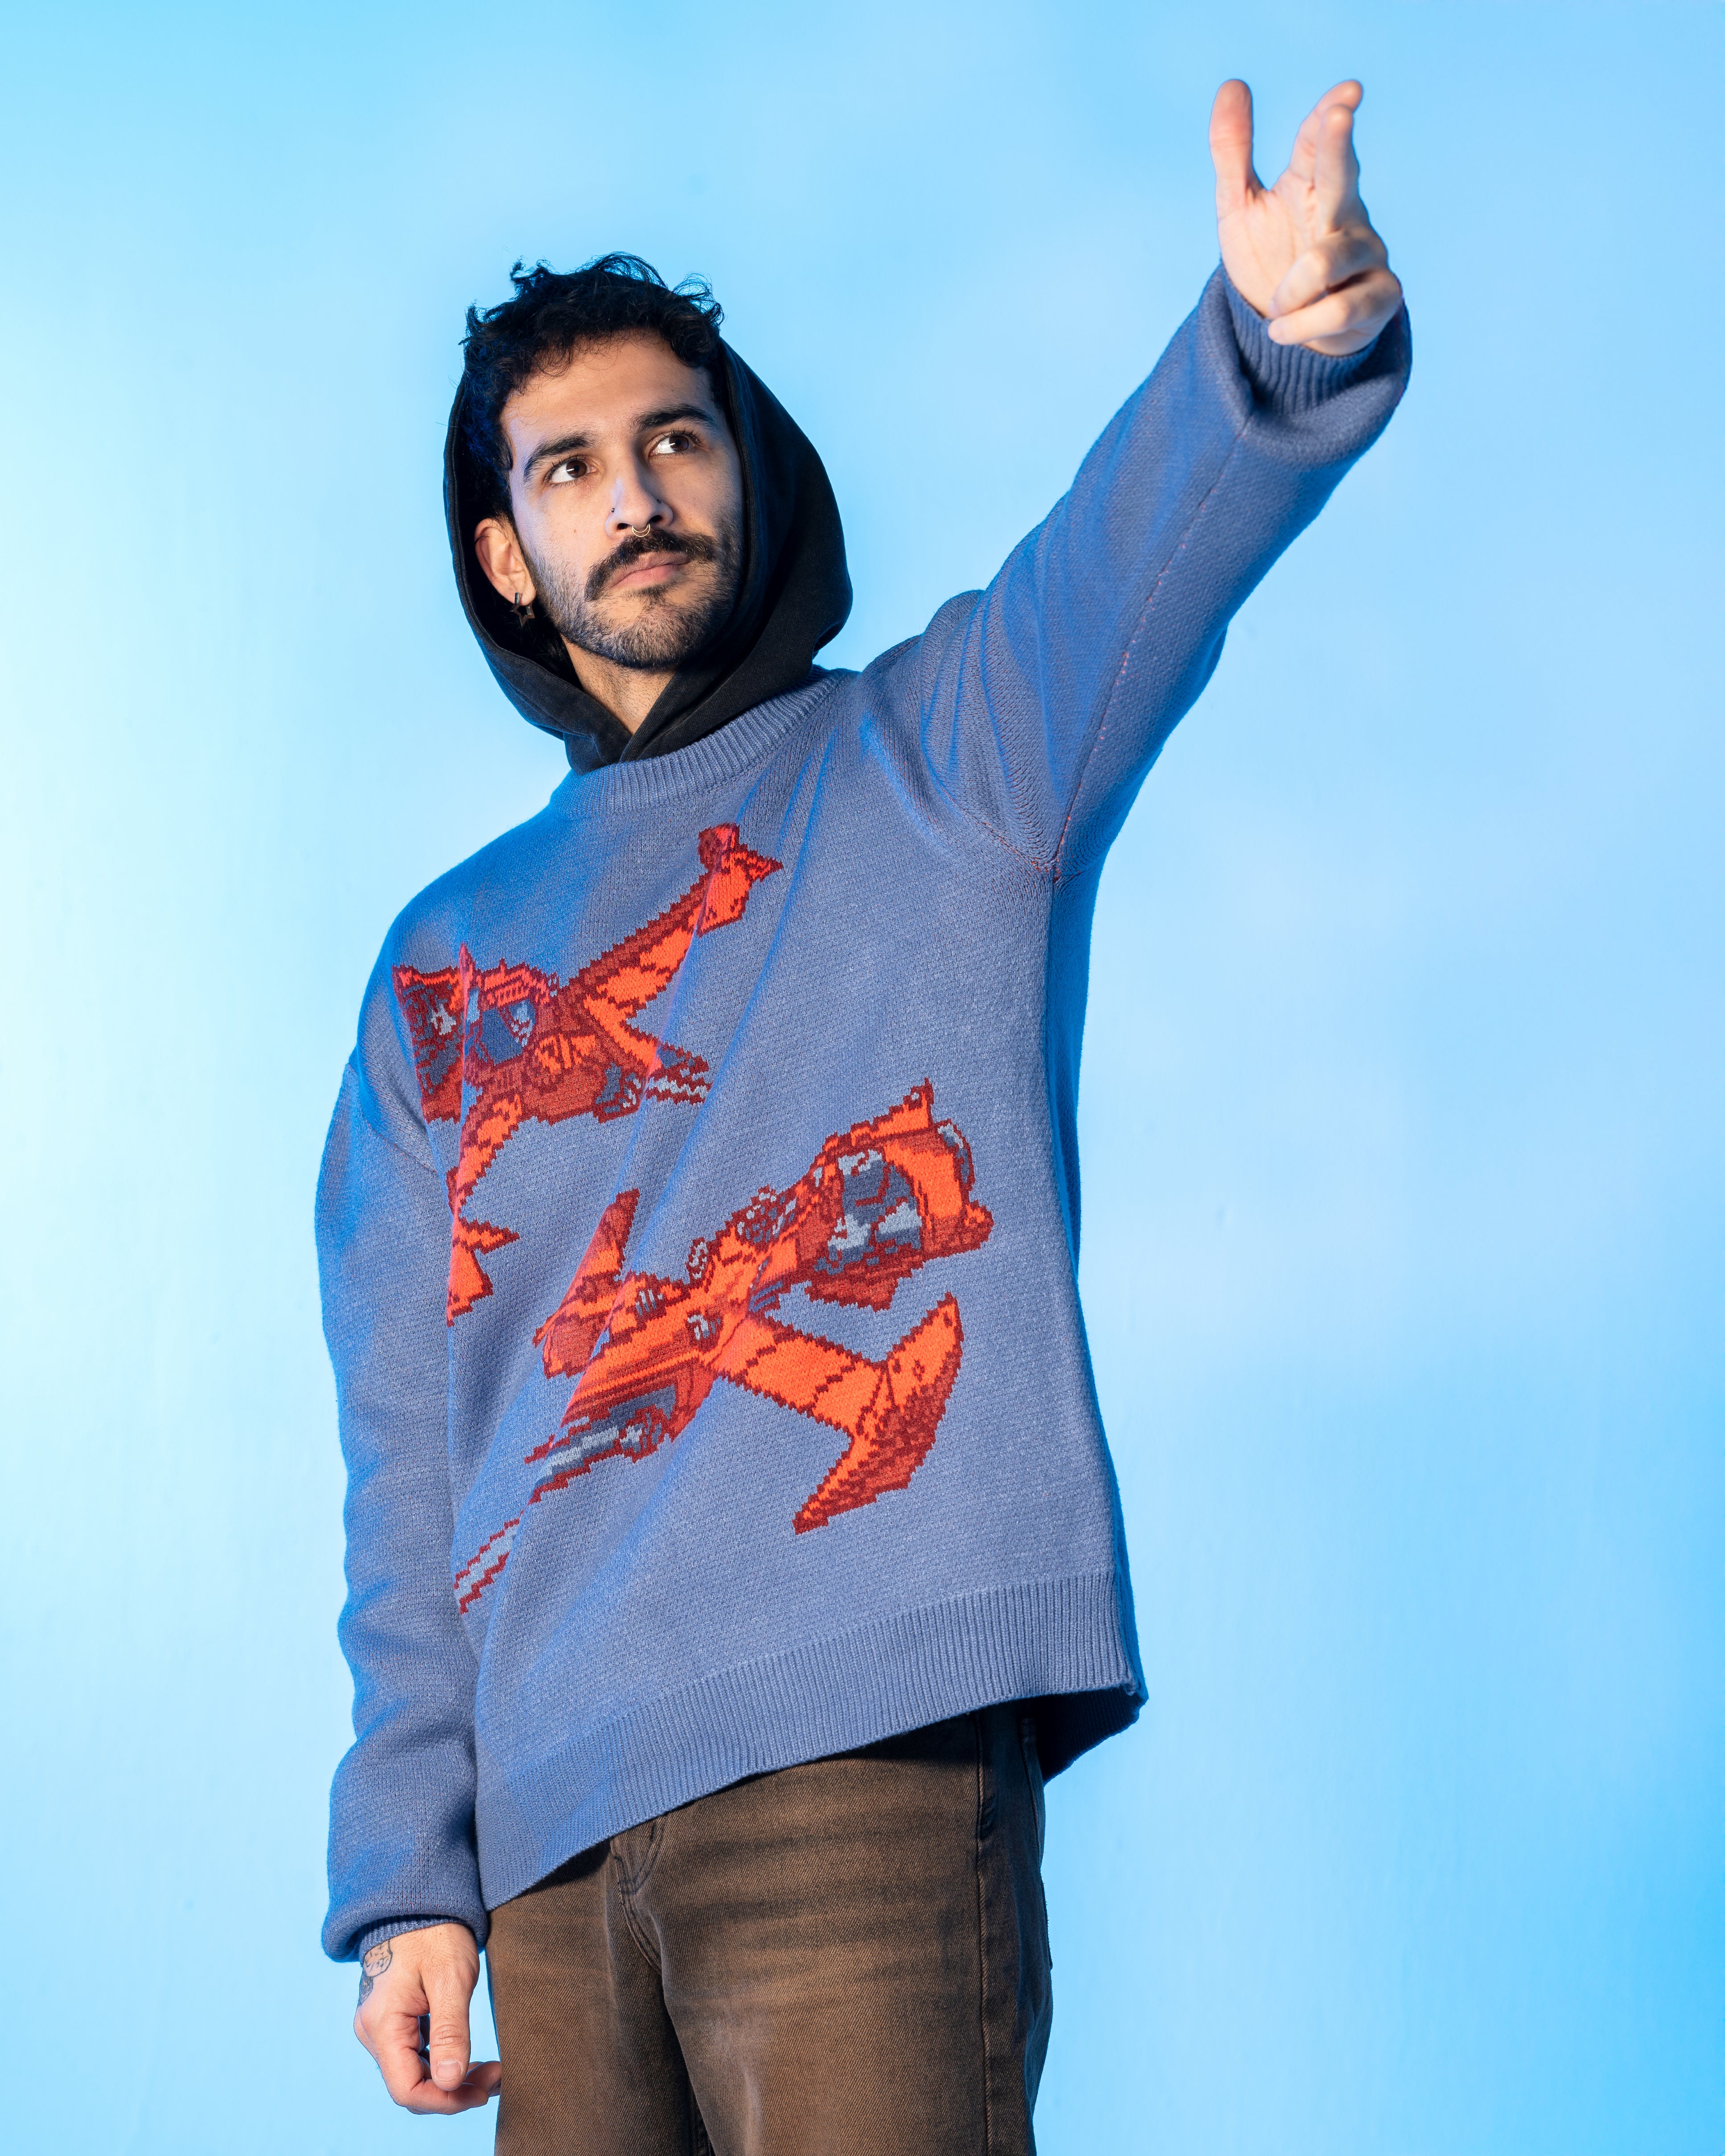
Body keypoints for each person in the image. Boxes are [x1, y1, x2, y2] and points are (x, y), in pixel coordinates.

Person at [320, 75, 1408, 2155]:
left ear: (749, 468)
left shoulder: (949, 758)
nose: (635, 493)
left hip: (860, 1751)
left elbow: (1131, 563)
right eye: (569, 466)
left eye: (675, 438)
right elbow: (406, 1452)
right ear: (506, 555)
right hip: (545, 1844)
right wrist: (408, 1877)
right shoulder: (439, 971)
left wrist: (1273, 343)